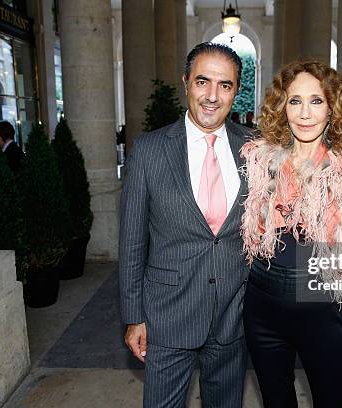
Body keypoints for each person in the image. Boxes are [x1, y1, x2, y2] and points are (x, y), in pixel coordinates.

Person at [240, 60, 342, 407]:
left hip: (324, 314)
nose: (305, 113)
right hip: (262, 310)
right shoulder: (260, 162)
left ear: (332, 108)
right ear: (281, 107)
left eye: (316, 101)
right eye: (295, 100)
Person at [119, 42, 251, 408]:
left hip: (232, 314)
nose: (212, 96)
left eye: (225, 85)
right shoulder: (149, 149)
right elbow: (132, 241)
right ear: (186, 83)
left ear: (235, 91)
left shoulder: (254, 148)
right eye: (202, 82)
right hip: (168, 314)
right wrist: (134, 317)